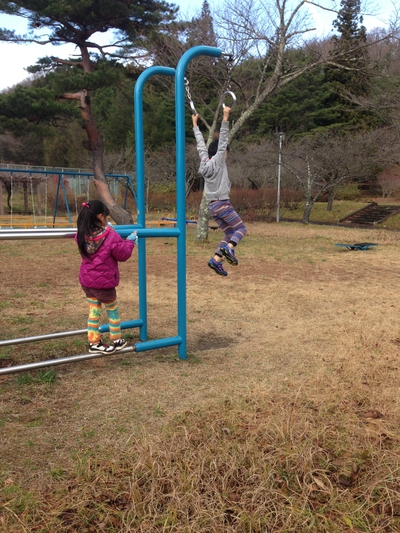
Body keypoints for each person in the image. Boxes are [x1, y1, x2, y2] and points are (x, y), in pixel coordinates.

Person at [75, 200, 138, 354]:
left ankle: (94, 341)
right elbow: (122, 254)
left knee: (94, 311)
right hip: (104, 283)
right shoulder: (110, 236)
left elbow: (96, 238)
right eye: (106, 218)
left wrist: (108, 230)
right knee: (112, 311)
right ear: (101, 216)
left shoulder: (81, 234)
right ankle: (117, 339)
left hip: (87, 281)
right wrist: (130, 242)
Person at [192, 106, 247, 276]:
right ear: (222, 153)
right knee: (240, 229)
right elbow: (223, 139)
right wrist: (225, 116)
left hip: (212, 207)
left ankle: (216, 259)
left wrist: (195, 125)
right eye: (226, 152)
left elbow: (201, 146)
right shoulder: (219, 160)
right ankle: (229, 249)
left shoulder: (205, 161)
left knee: (229, 232)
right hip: (222, 203)